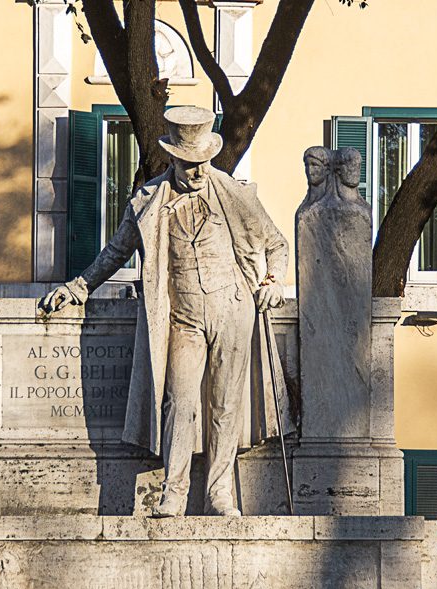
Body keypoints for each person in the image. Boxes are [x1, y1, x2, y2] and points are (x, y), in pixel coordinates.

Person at [39, 106, 289, 517]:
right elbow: (117, 251)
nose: (197, 172)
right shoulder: (148, 200)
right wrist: (79, 286)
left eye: (203, 163)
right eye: (189, 164)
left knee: (226, 405)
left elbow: (277, 244)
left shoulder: (234, 195)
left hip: (234, 309)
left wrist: (273, 282)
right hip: (183, 318)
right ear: (173, 159)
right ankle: (174, 492)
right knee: (179, 400)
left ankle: (219, 494)